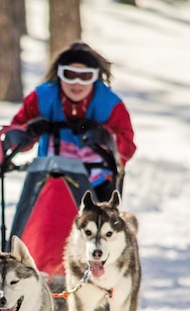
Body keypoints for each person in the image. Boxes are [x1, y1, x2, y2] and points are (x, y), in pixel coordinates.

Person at [8, 41, 136, 201]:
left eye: (84, 77)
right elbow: (12, 136)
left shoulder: (110, 105)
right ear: (59, 74)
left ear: (95, 77)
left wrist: (106, 139)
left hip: (97, 183)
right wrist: (28, 134)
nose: (76, 83)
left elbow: (127, 148)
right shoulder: (41, 99)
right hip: (50, 178)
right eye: (70, 75)